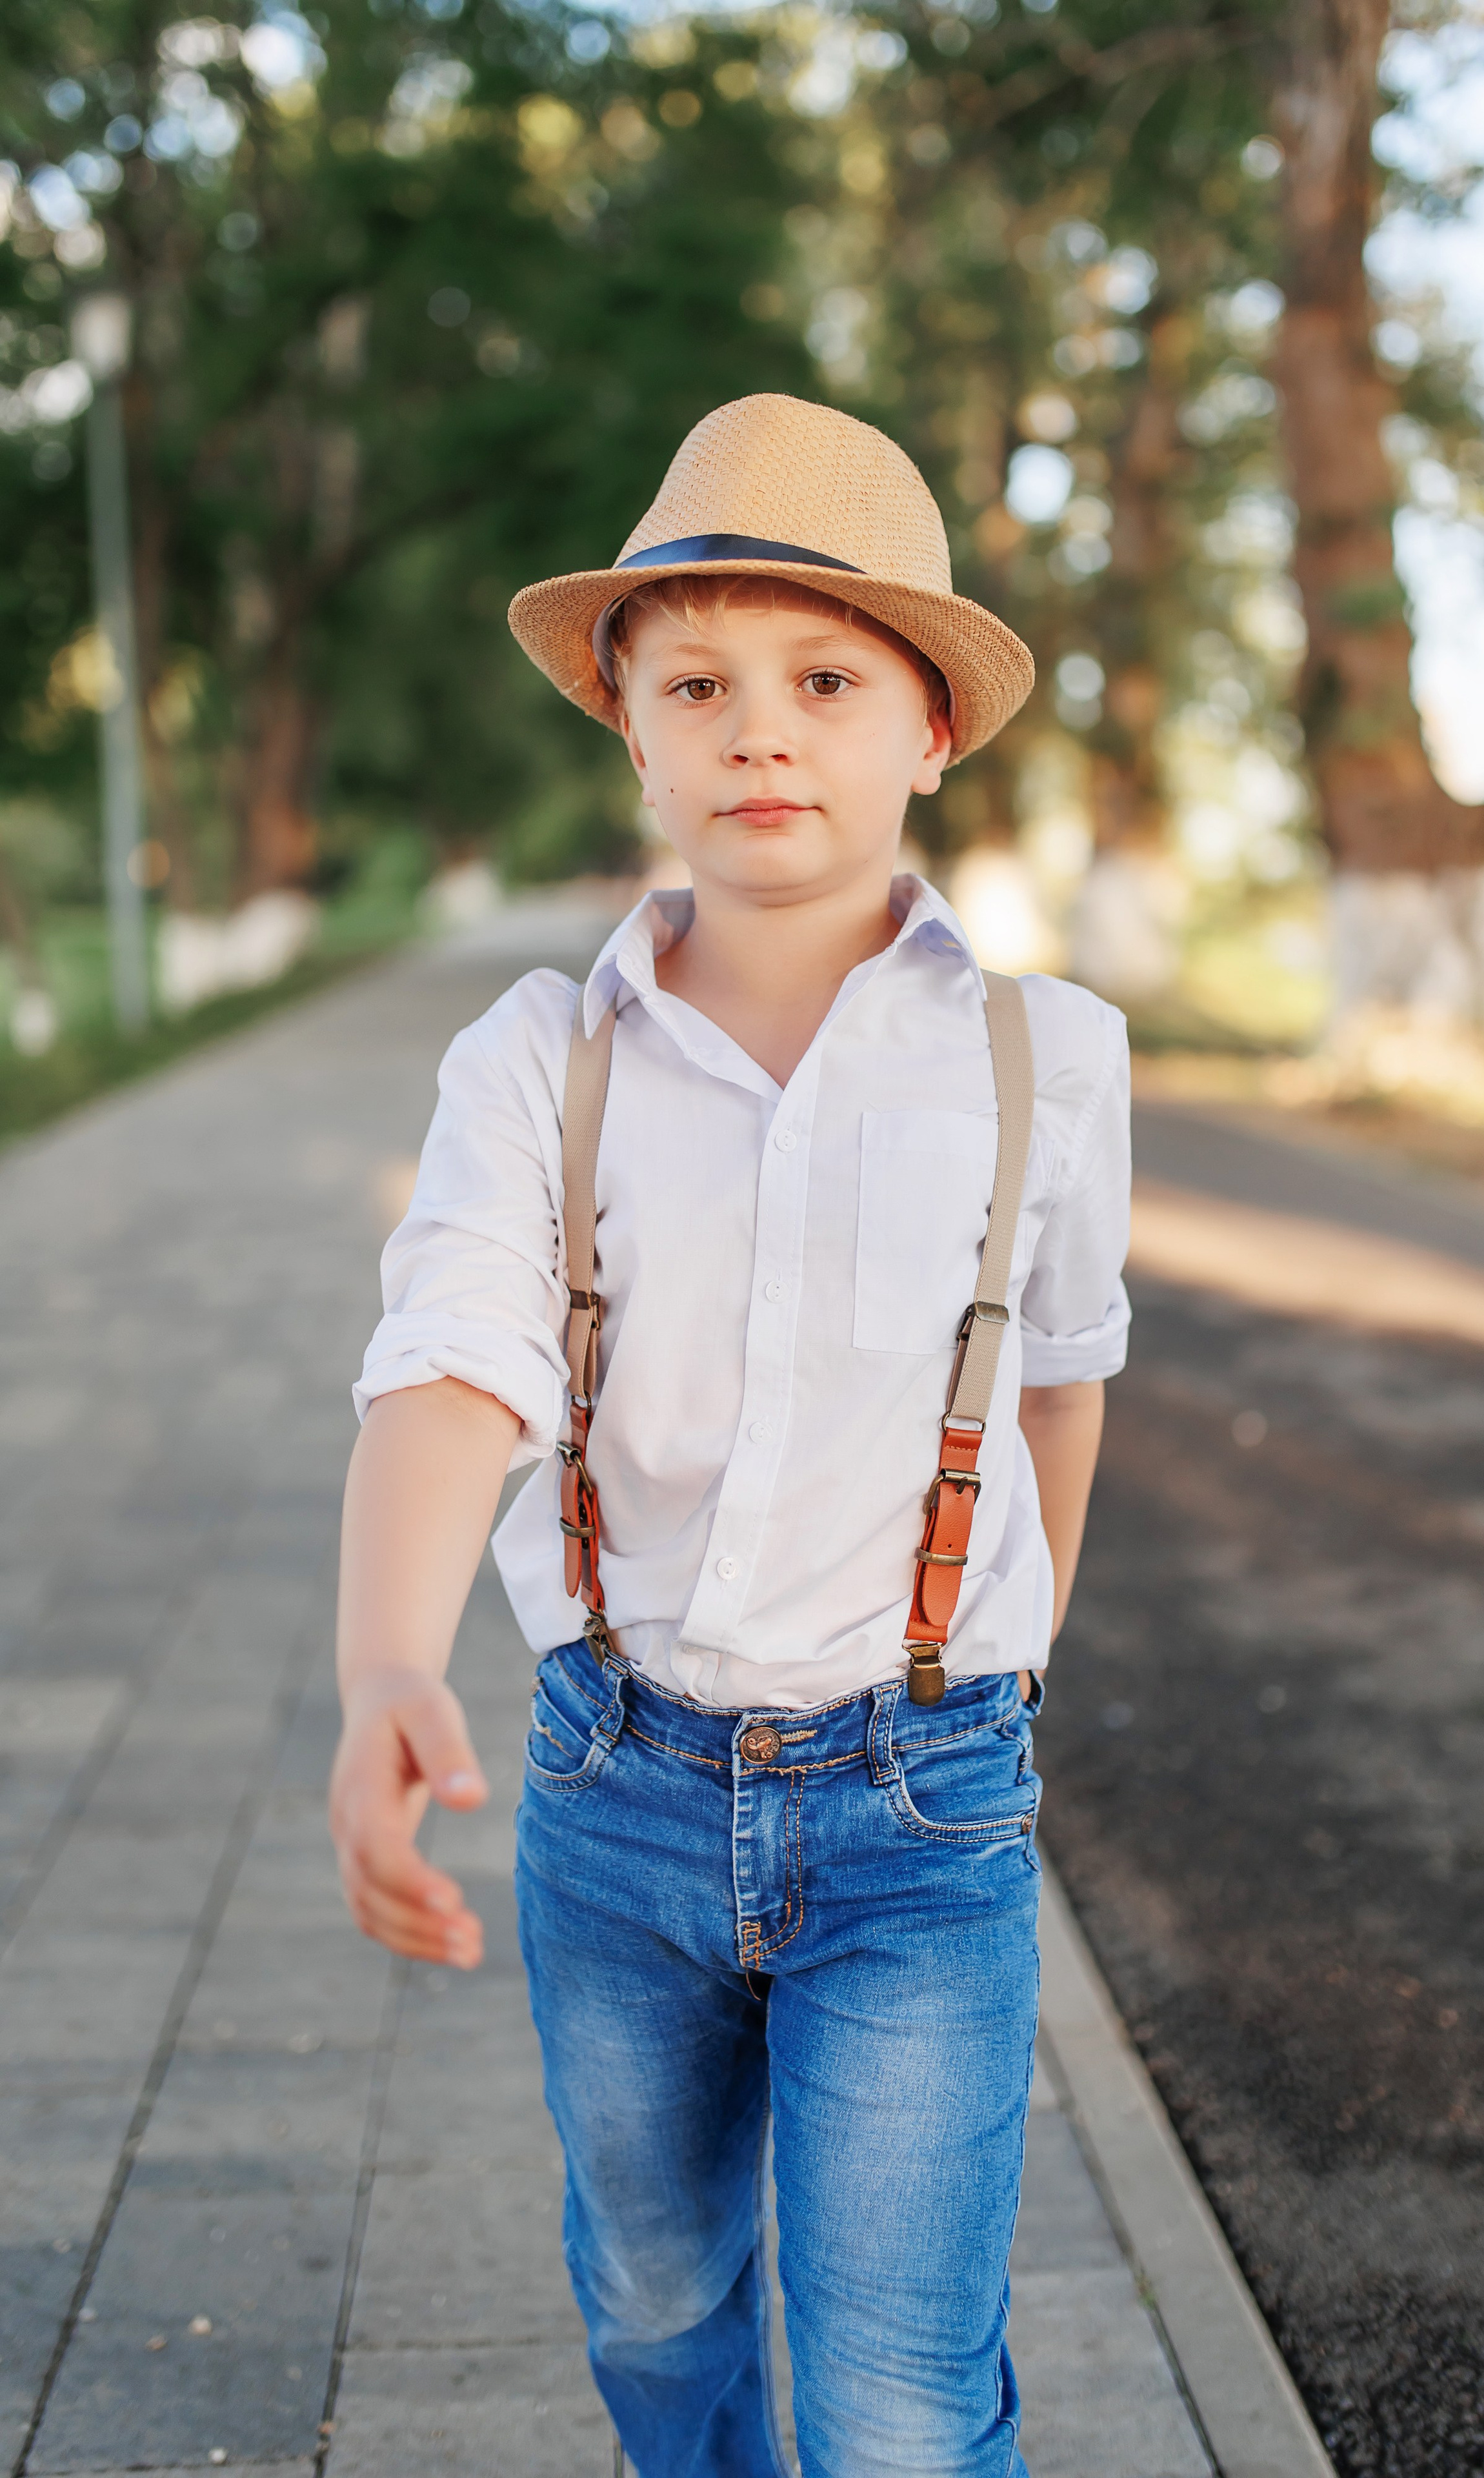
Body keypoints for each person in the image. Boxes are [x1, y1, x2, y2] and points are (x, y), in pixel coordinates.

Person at [329, 394, 1131, 2477]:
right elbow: (456, 1359)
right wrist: (389, 1664)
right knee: (661, 2303)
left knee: (893, 2402)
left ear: (930, 730)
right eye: (700, 683)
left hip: (921, 1816)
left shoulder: (1051, 1059)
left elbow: (1058, 1365)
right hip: (621, 1788)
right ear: (633, 727)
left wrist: (1008, 1656)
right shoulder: (540, 1057)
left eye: (827, 679)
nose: (761, 730)